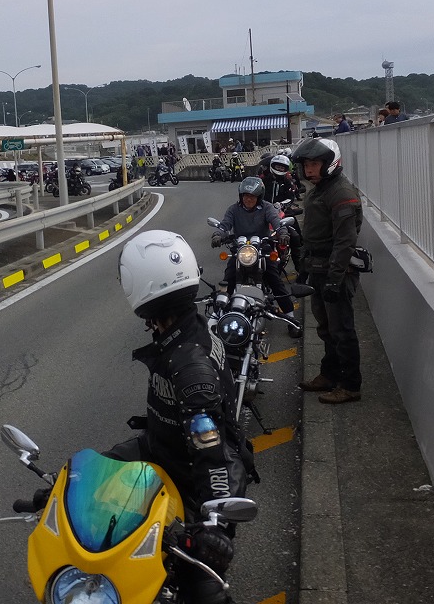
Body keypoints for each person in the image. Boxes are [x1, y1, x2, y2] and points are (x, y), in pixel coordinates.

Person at [111, 230, 249, 603]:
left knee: (202, 590)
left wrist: (213, 523)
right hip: (162, 449)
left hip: (194, 480)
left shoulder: (191, 367)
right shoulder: (186, 329)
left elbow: (210, 449)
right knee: (87, 470)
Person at [290, 138, 363, 404]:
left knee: (342, 330)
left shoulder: (341, 193)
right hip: (318, 268)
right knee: (326, 328)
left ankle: (350, 385)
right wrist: (303, 266)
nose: (309, 169)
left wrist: (335, 279)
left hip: (336, 272)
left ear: (329, 164)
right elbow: (312, 233)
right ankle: (329, 374)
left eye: (314, 164)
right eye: (306, 165)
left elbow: (345, 241)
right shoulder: (318, 191)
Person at [211, 177, 301, 336]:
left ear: (259, 197)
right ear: (241, 196)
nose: (248, 199)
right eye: (245, 196)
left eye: (252, 196)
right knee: (228, 279)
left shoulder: (267, 208)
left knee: (275, 280)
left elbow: (277, 222)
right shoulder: (234, 209)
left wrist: (283, 233)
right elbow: (225, 225)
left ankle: (291, 318)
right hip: (240, 250)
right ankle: (216, 316)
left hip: (261, 249)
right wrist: (218, 235)